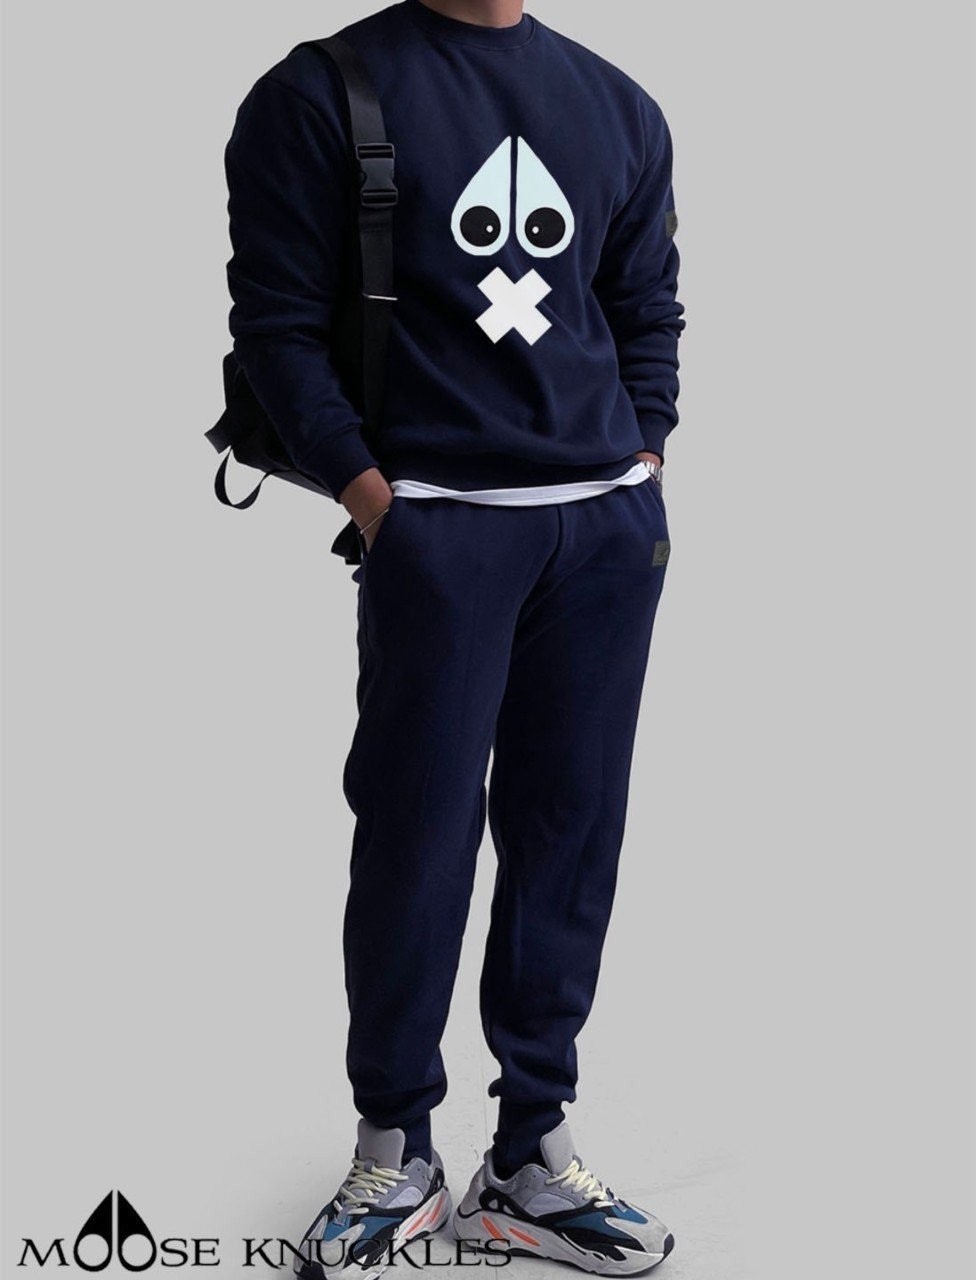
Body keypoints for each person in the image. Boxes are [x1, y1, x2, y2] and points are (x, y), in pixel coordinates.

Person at [224, 0, 685, 1274]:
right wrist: (380, 503)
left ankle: (530, 1154)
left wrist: (643, 453)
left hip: (602, 530)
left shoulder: (618, 103)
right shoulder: (320, 91)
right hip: (438, 529)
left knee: (569, 833)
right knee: (416, 835)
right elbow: (275, 326)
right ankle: (396, 1147)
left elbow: (645, 302)